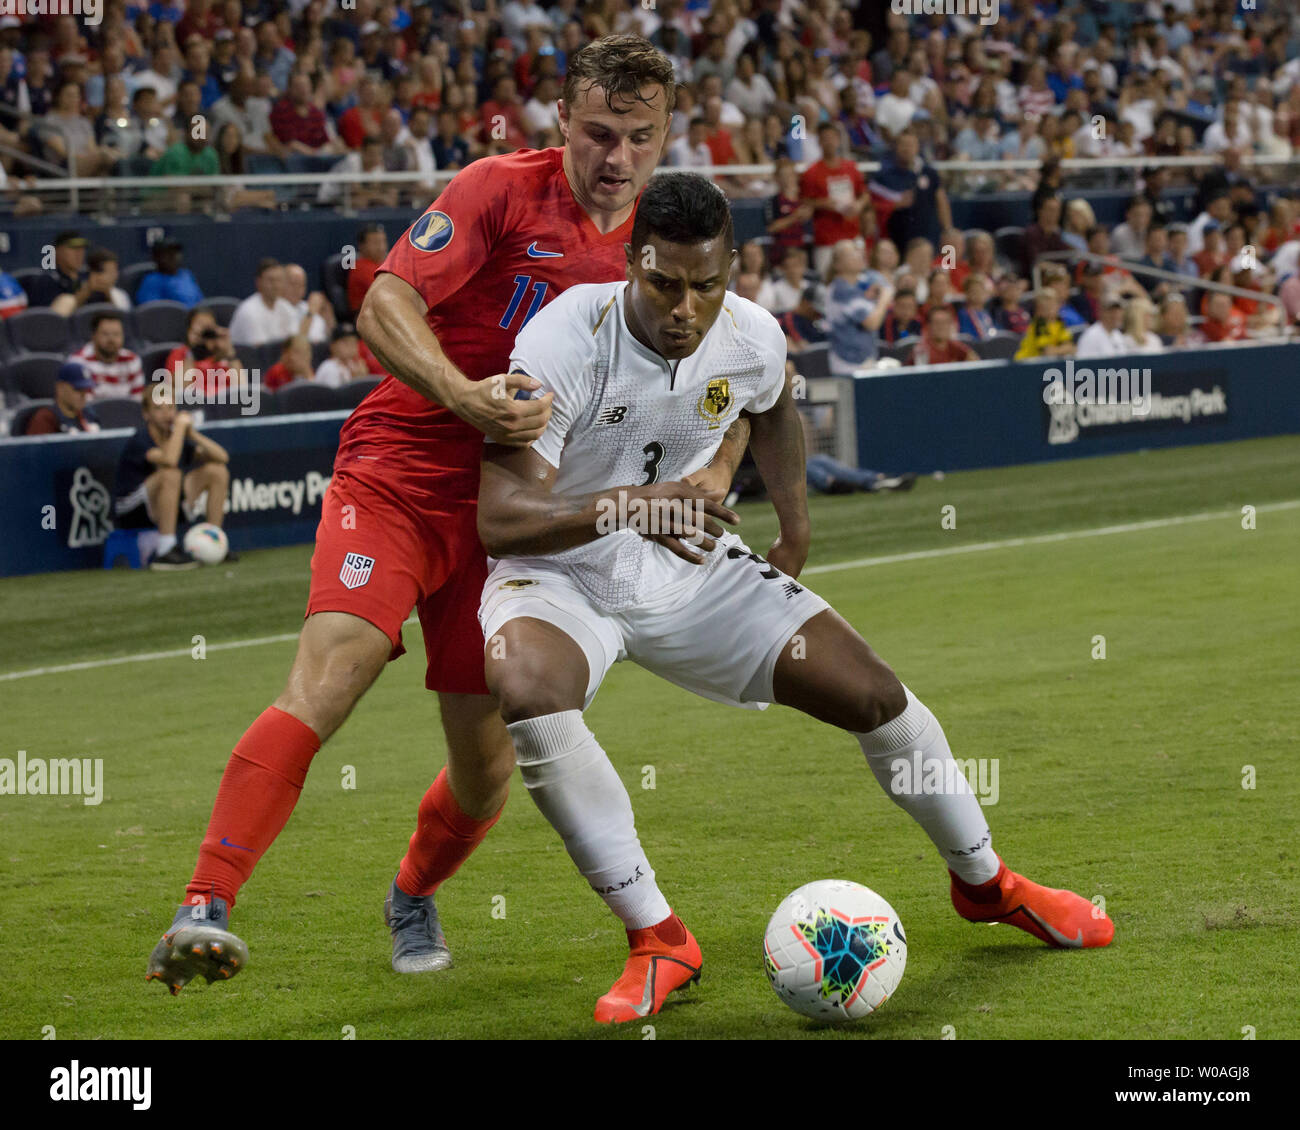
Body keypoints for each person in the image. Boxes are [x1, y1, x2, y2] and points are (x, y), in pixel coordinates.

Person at [145, 35, 752, 995]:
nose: (616, 158)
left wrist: (708, 474)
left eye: (638, 137)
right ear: (564, 122)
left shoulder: (663, 250)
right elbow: (385, 303)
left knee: (486, 775)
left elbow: (734, 374)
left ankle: (411, 891)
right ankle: (204, 904)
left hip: (514, 519)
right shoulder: (497, 190)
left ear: (666, 132)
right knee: (334, 666)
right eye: (598, 133)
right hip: (398, 474)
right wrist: (463, 394)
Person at [472, 172, 1114, 1022]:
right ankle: (659, 939)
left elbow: (773, 407)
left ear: (732, 267)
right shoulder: (560, 341)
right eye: (664, 282)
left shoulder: (751, 335)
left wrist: (795, 526)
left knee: (878, 698)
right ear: (631, 261)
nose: (686, 308)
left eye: (707, 284)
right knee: (529, 689)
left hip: (692, 564)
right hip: (559, 577)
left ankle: (986, 883)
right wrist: (631, 506)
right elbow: (501, 519)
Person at [113, 382, 231, 571]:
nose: (167, 414)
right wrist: (179, 429)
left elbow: (222, 457)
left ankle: (214, 542)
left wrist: (192, 434)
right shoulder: (141, 440)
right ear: (146, 414)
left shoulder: (177, 439)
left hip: (165, 506)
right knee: (170, 474)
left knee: (217, 471)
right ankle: (165, 550)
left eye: (170, 407)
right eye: (159, 408)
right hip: (132, 510)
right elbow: (169, 460)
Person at [800, 122, 869, 278]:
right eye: (825, 139)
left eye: (832, 138)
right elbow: (804, 201)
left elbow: (864, 194)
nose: (829, 142)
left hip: (852, 232)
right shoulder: (811, 172)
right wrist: (824, 203)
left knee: (859, 277)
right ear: (819, 142)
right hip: (827, 237)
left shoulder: (851, 167)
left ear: (838, 140)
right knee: (826, 279)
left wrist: (858, 205)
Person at [825, 240, 893, 374]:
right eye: (852, 253)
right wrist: (884, 298)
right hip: (848, 364)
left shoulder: (860, 283)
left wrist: (877, 290)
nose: (859, 254)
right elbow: (872, 323)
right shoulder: (841, 290)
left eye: (858, 251)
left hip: (865, 361)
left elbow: (879, 280)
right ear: (838, 264)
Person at [228, 258, 302, 346]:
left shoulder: (286, 307)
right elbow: (261, 352)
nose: (276, 286)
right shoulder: (249, 311)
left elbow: (295, 343)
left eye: (279, 280)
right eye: (271, 280)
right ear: (258, 282)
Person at [69, 310, 144, 398]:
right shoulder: (78, 362)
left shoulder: (132, 360)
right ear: (93, 336)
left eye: (116, 334)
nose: (111, 340)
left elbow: (137, 400)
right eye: (105, 334)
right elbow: (83, 404)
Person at [21, 360, 101, 434]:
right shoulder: (45, 418)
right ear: (60, 388)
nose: (84, 395)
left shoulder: (88, 414)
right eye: (78, 390)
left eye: (86, 390)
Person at [50, 246, 131, 315]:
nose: (114, 275)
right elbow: (57, 323)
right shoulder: (70, 295)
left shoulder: (120, 295)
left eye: (114, 271)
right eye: (108, 272)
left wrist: (107, 294)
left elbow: (124, 324)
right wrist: (86, 291)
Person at [25, 230, 87, 307]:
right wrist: (86, 292)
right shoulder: (46, 282)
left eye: (82, 249)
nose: (79, 254)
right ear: (57, 251)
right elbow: (49, 317)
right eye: (73, 248)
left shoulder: (87, 277)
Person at [135, 239, 205, 307]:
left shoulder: (187, 275)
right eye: (168, 253)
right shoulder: (152, 281)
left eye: (176, 252)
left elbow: (200, 303)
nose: (174, 257)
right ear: (156, 257)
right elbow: (152, 312)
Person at [907, 305, 978, 366]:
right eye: (937, 323)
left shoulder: (955, 346)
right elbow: (921, 378)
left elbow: (974, 361)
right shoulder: (921, 350)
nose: (941, 327)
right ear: (928, 326)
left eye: (945, 322)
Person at [1014, 289, 1075, 360]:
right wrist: (1063, 349)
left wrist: (1059, 350)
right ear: (1039, 309)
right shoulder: (1039, 324)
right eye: (1046, 306)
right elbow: (1048, 352)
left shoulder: (1059, 322)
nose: (1050, 309)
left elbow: (1071, 348)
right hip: (1024, 363)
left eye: (1052, 304)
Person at [347, 224, 388, 316]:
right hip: (365, 315)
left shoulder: (386, 263)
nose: (381, 247)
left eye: (383, 242)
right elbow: (384, 290)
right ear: (362, 246)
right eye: (375, 243)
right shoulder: (360, 267)